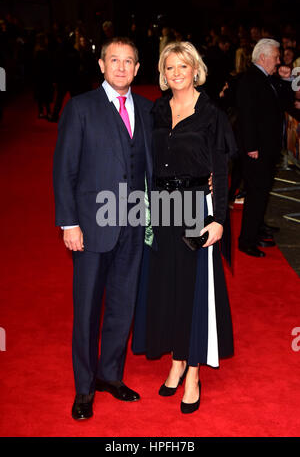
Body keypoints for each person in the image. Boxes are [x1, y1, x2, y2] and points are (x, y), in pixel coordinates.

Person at [53, 37, 153, 420]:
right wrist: (69, 223)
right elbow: (65, 170)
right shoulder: (80, 108)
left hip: (132, 223)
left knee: (122, 306)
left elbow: (155, 166)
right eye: (115, 60)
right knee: (87, 309)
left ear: (138, 68)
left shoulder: (145, 109)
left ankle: (110, 375)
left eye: (129, 61)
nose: (122, 67)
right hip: (91, 229)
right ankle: (83, 388)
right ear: (101, 65)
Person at [132, 41, 235, 414]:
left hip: (195, 209)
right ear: (163, 72)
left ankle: (193, 371)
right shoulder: (157, 110)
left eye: (183, 67)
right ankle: (176, 360)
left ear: (196, 69)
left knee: (193, 292)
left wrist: (219, 219)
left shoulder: (212, 114)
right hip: (162, 209)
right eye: (169, 68)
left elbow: (221, 172)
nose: (176, 74)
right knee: (168, 288)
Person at [236, 38, 295, 257]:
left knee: (262, 192)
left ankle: (258, 228)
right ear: (263, 57)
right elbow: (246, 116)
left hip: (267, 148)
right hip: (256, 149)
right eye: (276, 57)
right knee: (256, 193)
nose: (279, 61)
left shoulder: (267, 78)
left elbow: (284, 104)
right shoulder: (251, 79)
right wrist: (251, 146)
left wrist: (287, 81)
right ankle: (247, 240)